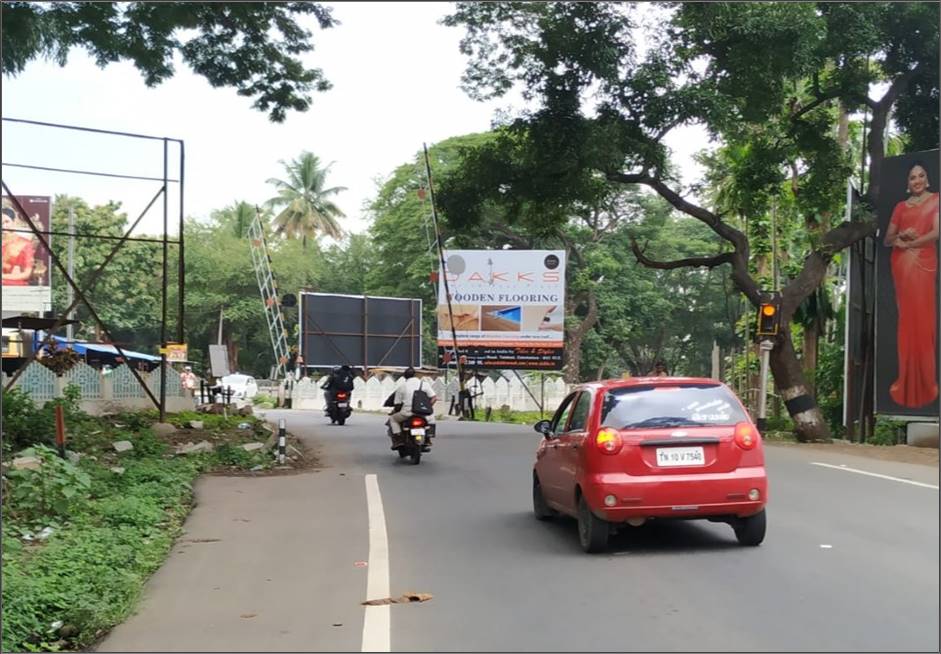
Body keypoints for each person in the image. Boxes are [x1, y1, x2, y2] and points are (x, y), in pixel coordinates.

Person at [883, 162, 939, 408]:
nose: (917, 180)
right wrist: (901, 238)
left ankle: (927, 382)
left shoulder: (936, 200)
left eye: (921, 176)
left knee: (924, 322)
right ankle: (905, 380)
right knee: (906, 322)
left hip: (923, 265)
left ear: (927, 180)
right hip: (902, 267)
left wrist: (913, 243)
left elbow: (937, 233)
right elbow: (887, 239)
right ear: (908, 183)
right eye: (912, 177)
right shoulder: (900, 207)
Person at [388, 367, 437, 448]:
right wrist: (427, 407)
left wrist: (394, 411)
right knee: (431, 419)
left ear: (404, 377)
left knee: (393, 419)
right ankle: (428, 438)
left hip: (407, 413)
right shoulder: (424, 384)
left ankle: (399, 439)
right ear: (415, 375)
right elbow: (434, 398)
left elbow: (397, 404)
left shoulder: (402, 387)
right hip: (422, 413)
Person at [2, 206, 37, 286]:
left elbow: (26, 274)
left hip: (15, 287)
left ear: (14, 222)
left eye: (7, 222)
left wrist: (3, 276)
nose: (3, 226)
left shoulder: (24, 244)